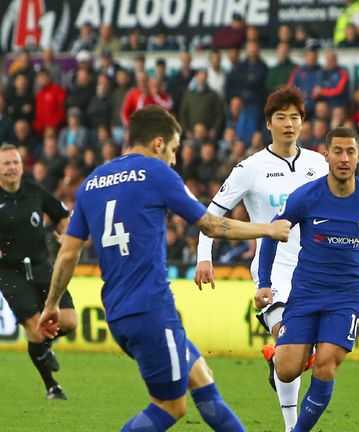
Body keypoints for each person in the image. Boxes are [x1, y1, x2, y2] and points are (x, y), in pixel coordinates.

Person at [37, 106, 292, 431]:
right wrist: (267, 229)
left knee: (202, 379)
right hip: (151, 310)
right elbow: (212, 225)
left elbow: (69, 253)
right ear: (158, 144)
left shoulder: (91, 183)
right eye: (172, 149)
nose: (173, 159)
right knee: (170, 406)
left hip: (118, 313)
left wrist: (51, 304)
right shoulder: (156, 173)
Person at [195, 86, 328, 432]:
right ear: (268, 123)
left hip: (315, 273)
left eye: (295, 117)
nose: (289, 123)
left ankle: (278, 361)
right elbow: (211, 214)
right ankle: (291, 426)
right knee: (289, 340)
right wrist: (203, 257)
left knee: (295, 357)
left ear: (303, 123)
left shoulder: (318, 164)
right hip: (273, 272)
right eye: (281, 117)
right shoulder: (250, 168)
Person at [257, 127, 359, 432]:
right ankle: (277, 355)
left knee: (326, 364)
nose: (344, 158)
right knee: (287, 370)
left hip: (346, 298)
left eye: (350, 152)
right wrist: (263, 282)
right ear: (326, 155)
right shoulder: (305, 196)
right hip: (305, 293)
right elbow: (272, 232)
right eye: (338, 151)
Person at [0, 144, 76, 400]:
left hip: (42, 266)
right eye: (6, 164)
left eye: (15, 163)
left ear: (22, 166)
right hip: (10, 272)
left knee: (70, 322)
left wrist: (67, 233)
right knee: (35, 327)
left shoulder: (34, 191)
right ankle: (52, 386)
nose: (11, 168)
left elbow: (62, 216)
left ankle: (44, 347)